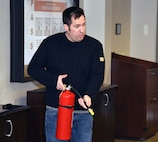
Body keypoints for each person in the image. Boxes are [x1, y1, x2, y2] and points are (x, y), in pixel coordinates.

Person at [27, 6, 105, 142]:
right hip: (56, 112)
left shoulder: (94, 46)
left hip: (83, 113)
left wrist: (89, 94)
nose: (82, 30)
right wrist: (54, 80)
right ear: (66, 27)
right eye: (76, 26)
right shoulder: (50, 44)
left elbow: (97, 74)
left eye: (84, 24)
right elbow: (33, 68)